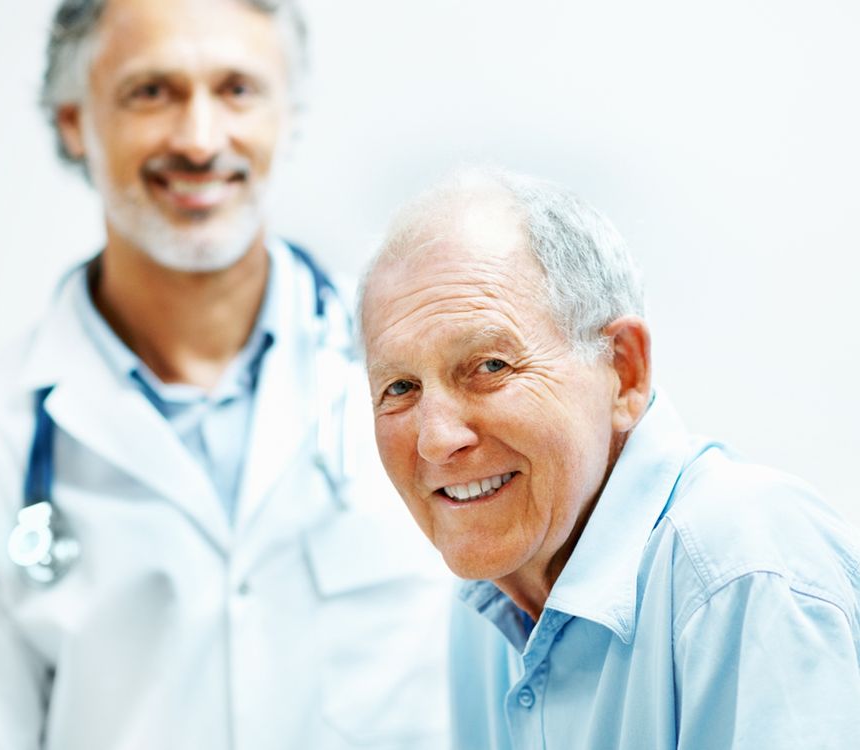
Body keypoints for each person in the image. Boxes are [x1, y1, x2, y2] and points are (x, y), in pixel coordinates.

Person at [0, 1, 452, 748]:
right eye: (150, 92)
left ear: (289, 114)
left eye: (237, 90)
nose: (198, 139)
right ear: (72, 120)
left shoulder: (420, 371)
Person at [359, 166, 860, 749]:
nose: (436, 440)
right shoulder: (487, 601)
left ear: (623, 371)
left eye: (490, 366)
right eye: (399, 387)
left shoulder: (744, 569)